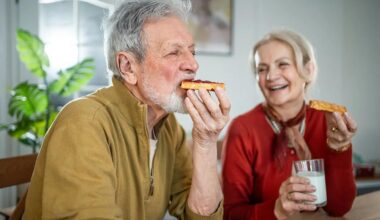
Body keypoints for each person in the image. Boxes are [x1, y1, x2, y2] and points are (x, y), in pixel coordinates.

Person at [23, 0, 230, 219]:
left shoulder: (169, 129)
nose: (193, 65)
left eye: (192, 52)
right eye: (173, 53)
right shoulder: (84, 123)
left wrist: (206, 142)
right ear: (128, 67)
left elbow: (203, 217)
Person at [222, 29, 357, 220]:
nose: (270, 76)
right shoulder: (243, 129)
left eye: (283, 64)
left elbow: (339, 208)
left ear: (308, 70)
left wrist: (339, 149)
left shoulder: (327, 121)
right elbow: (229, 214)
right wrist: (277, 210)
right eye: (262, 69)